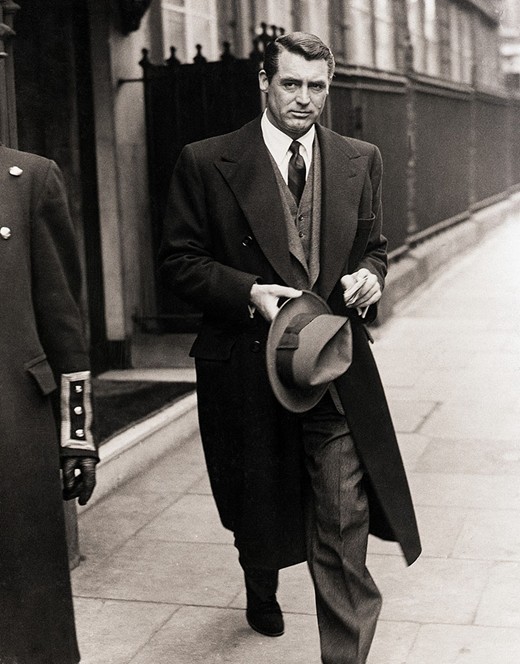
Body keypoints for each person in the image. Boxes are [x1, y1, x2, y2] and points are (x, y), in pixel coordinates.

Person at [159, 32, 421, 664]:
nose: (305, 98)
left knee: (343, 518)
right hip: (248, 365)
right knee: (257, 509)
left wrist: (372, 276)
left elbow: (374, 247)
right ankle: (260, 578)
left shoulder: (360, 158)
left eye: (317, 86)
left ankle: (345, 655)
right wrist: (247, 291)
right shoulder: (207, 161)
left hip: (332, 367)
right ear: (265, 83)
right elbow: (178, 262)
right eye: (291, 84)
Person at [0, 144, 98, 663]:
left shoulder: (28, 180)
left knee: (28, 602)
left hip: (13, 419)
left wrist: (76, 436)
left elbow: (61, 317)